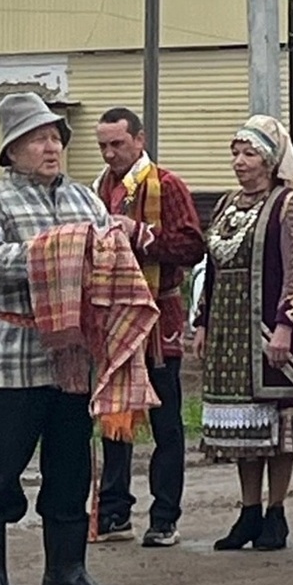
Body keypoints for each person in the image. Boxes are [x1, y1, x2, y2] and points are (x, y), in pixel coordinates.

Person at [0, 91, 123, 585]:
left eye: (55, 137)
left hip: (73, 358)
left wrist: (101, 249)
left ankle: (67, 571)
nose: (51, 147)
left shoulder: (85, 199)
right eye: (38, 139)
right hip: (15, 355)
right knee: (0, 465)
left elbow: (110, 255)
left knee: (71, 464)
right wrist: (64, 252)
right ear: (12, 150)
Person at [196, 114, 293, 553]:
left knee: (276, 423)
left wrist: (286, 327)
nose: (239, 162)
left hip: (268, 328)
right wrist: (201, 322)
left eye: (249, 153)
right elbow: (212, 268)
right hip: (230, 331)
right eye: (235, 153)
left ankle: (276, 512)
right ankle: (248, 511)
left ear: (270, 161)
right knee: (245, 430)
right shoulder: (227, 204)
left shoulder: (289, 205)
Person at [93, 106, 205, 548]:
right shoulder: (100, 187)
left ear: (139, 140)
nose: (109, 153)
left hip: (160, 321)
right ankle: (115, 511)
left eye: (117, 144)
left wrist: (140, 234)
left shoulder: (166, 184)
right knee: (114, 419)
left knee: (165, 423)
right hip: (116, 319)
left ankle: (164, 517)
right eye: (102, 145)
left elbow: (193, 246)